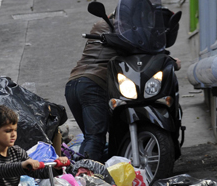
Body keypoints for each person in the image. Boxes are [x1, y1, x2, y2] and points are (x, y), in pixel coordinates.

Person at [65, 18, 181, 163]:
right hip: (94, 85)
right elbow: (144, 50)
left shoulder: (102, 25)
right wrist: (170, 61)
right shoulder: (125, 28)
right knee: (95, 139)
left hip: (73, 84)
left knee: (92, 138)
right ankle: (86, 178)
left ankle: (86, 171)